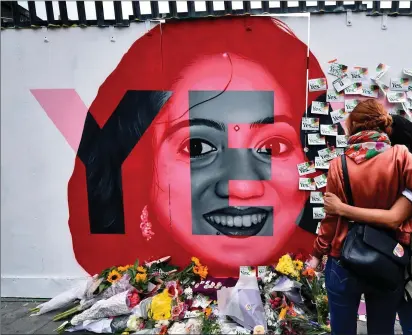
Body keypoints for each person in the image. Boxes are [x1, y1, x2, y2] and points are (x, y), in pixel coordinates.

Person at [66, 17, 327, 277]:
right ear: (145, 168)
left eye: (272, 147)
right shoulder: (135, 296)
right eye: (197, 147)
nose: (242, 186)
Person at [307, 100, 412, 335]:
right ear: (383, 125)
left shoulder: (338, 165)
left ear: (354, 127)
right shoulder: (400, 157)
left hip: (343, 259)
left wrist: (317, 254)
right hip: (389, 259)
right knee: (382, 329)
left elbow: (330, 221)